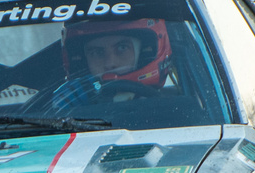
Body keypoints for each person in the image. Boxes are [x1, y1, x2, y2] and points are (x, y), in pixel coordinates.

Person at [45, 17, 173, 109]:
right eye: (96, 52)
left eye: (122, 48)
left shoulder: (180, 110)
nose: (110, 63)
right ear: (83, 61)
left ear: (144, 53)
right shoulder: (67, 107)